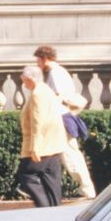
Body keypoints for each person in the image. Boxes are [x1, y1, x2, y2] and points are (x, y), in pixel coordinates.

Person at [32, 45, 96, 199]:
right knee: (57, 154)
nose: (37, 64)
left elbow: (60, 96)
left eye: (38, 60)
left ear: (45, 58)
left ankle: (87, 190)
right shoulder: (58, 72)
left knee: (70, 155)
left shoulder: (55, 73)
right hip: (60, 117)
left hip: (60, 118)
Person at [16, 65, 68, 208]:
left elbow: (37, 122)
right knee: (51, 182)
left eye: (23, 76)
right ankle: (54, 211)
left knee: (27, 175)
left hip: (42, 146)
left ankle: (44, 208)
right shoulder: (46, 90)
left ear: (29, 78)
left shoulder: (37, 94)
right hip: (53, 145)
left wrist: (35, 148)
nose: (22, 79)